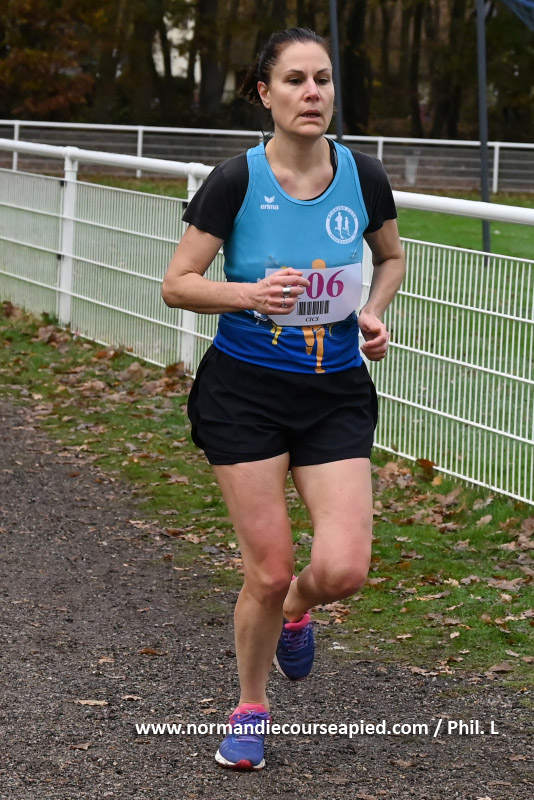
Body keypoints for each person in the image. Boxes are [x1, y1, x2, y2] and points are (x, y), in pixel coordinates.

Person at [162, 27, 405, 771]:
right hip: (245, 393)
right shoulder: (236, 180)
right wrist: (250, 294)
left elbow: (391, 257)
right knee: (266, 571)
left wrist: (373, 313)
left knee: (344, 571)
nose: (312, 93)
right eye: (295, 80)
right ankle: (250, 707)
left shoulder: (363, 176)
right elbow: (177, 283)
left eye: (322, 79)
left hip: (335, 392)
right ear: (265, 93)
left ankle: (298, 610)